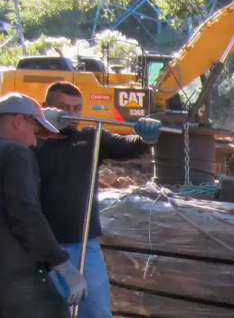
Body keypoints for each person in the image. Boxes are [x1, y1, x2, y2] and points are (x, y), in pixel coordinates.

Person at [34, 82, 162, 318]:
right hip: (42, 247)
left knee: (97, 311)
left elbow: (125, 146)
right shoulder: (30, 144)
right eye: (63, 108)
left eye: (77, 108)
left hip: (84, 243)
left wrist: (145, 138)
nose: (72, 115)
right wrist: (38, 124)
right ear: (46, 107)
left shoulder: (90, 138)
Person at [0, 92, 88, 318]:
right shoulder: (15, 153)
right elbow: (25, 215)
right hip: (13, 274)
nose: (33, 142)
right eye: (35, 131)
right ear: (18, 120)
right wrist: (60, 263)